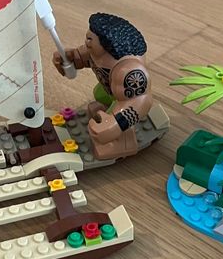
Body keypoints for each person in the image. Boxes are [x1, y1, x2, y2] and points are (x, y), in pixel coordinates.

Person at [53, 13, 152, 160]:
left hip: (124, 101)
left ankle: (124, 142)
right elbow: (81, 58)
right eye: (89, 34)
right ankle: (105, 111)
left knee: (119, 122)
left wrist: (117, 123)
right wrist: (67, 59)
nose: (87, 38)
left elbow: (141, 101)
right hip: (108, 90)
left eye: (92, 37)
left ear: (108, 43)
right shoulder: (94, 51)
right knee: (99, 93)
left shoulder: (130, 72)